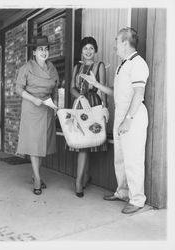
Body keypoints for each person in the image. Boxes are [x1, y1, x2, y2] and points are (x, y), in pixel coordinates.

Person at [81, 27, 149, 214]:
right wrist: (96, 84)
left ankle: (137, 199)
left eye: (117, 42)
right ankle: (122, 192)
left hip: (132, 115)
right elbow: (115, 92)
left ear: (125, 43)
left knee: (133, 158)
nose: (114, 46)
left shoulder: (138, 63)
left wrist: (128, 119)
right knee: (120, 157)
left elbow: (139, 94)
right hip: (121, 114)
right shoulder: (122, 65)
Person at [15, 36, 59, 195]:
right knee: (34, 145)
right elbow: (18, 89)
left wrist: (54, 106)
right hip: (32, 107)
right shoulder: (26, 67)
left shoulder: (52, 68)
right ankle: (38, 180)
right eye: (40, 49)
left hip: (46, 108)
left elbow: (55, 88)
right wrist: (34, 99)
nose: (44, 52)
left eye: (46, 49)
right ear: (34, 52)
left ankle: (35, 175)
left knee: (42, 145)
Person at [70, 36, 108, 198]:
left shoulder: (99, 65)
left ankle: (81, 179)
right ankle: (81, 179)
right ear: (81, 50)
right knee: (83, 144)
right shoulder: (76, 68)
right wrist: (80, 96)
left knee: (89, 143)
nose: (88, 51)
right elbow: (71, 88)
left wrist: (105, 109)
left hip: (94, 105)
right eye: (85, 48)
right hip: (80, 105)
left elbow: (103, 89)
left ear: (95, 50)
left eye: (91, 48)